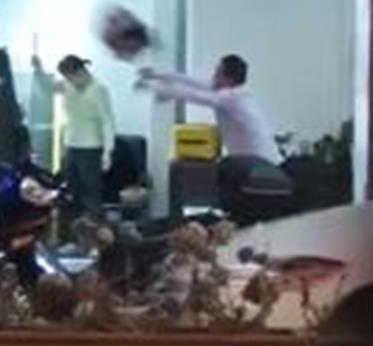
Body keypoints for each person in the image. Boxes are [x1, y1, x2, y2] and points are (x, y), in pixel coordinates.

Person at [136, 54, 291, 225]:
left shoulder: (233, 98)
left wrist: (153, 87)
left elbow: (195, 96)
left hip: (264, 171)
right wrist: (157, 75)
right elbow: (191, 81)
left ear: (228, 79)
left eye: (217, 72)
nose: (213, 76)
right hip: (255, 167)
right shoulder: (231, 93)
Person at [32, 54, 116, 219]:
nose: (70, 81)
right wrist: (38, 70)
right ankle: (72, 226)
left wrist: (108, 152)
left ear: (81, 72)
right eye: (67, 78)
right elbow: (48, 88)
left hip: (91, 148)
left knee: (91, 192)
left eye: (71, 77)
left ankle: (94, 226)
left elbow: (107, 122)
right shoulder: (67, 85)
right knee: (70, 190)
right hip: (71, 145)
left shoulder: (99, 90)